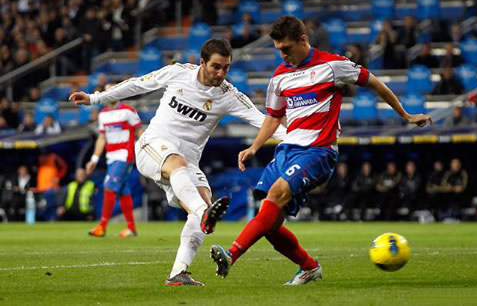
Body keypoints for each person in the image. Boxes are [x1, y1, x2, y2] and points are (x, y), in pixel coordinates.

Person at [210, 16, 432, 285]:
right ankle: (309, 267)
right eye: (279, 50)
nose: (283, 55)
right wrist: (255, 146)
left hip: (318, 151)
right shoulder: (280, 76)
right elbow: (274, 116)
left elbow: (375, 83)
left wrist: (406, 115)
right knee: (269, 224)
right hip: (287, 151)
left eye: (287, 49)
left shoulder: (333, 65)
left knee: (277, 195)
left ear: (303, 40)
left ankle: (230, 255)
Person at [69, 39, 286, 286]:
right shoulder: (178, 73)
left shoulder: (229, 95)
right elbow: (137, 84)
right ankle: (205, 212)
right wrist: (95, 98)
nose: (221, 73)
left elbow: (265, 121)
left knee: (202, 199)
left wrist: (308, 138)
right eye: (216, 66)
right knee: (193, 191)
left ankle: (178, 272)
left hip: (186, 164)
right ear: (201, 62)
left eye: (226, 68)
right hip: (152, 147)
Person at [84, 96, 142, 238]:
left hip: (124, 155)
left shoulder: (128, 111)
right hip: (111, 157)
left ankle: (102, 226)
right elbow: (101, 138)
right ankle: (131, 228)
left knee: (109, 186)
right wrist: (94, 159)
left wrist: (146, 151)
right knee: (123, 190)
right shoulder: (103, 114)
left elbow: (140, 132)